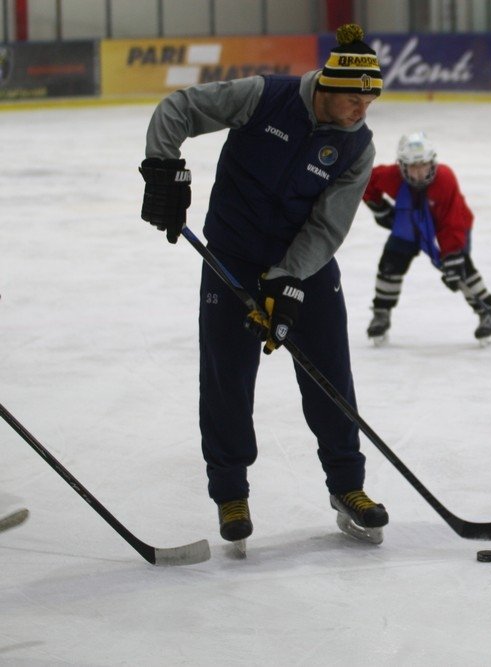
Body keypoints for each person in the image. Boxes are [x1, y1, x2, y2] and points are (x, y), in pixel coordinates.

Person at [138, 24, 389, 546]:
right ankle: (230, 492)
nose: (362, 108)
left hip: (307, 266)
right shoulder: (264, 97)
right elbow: (178, 109)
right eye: (353, 96)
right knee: (227, 377)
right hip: (231, 256)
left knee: (330, 377)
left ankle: (348, 486)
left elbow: (327, 227)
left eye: (372, 97)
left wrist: (290, 280)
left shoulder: (357, 147)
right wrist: (162, 170)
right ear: (325, 85)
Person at [361, 131, 491, 345]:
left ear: (432, 162)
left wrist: (452, 255)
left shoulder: (445, 179)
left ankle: (487, 312)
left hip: (448, 225)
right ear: (401, 165)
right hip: (410, 222)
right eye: (412, 166)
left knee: (461, 268)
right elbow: (365, 181)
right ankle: (381, 313)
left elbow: (452, 222)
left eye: (423, 165)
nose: (419, 172)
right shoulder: (391, 176)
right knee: (390, 263)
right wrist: (380, 209)